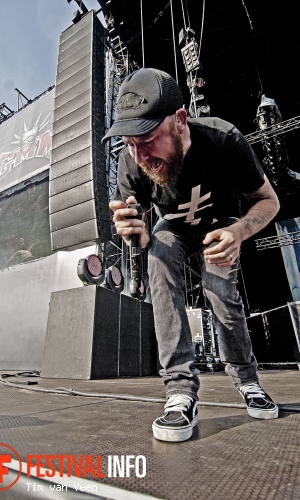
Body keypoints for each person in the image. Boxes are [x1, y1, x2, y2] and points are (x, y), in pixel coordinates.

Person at [102, 67, 280, 442]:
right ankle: (180, 392)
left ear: (180, 121)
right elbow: (139, 238)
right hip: (175, 227)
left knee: (220, 292)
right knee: (159, 258)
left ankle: (248, 381)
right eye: (131, 144)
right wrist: (134, 236)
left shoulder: (222, 138)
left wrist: (239, 231)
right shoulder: (132, 161)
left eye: (149, 139)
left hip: (222, 222)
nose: (140, 154)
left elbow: (268, 201)